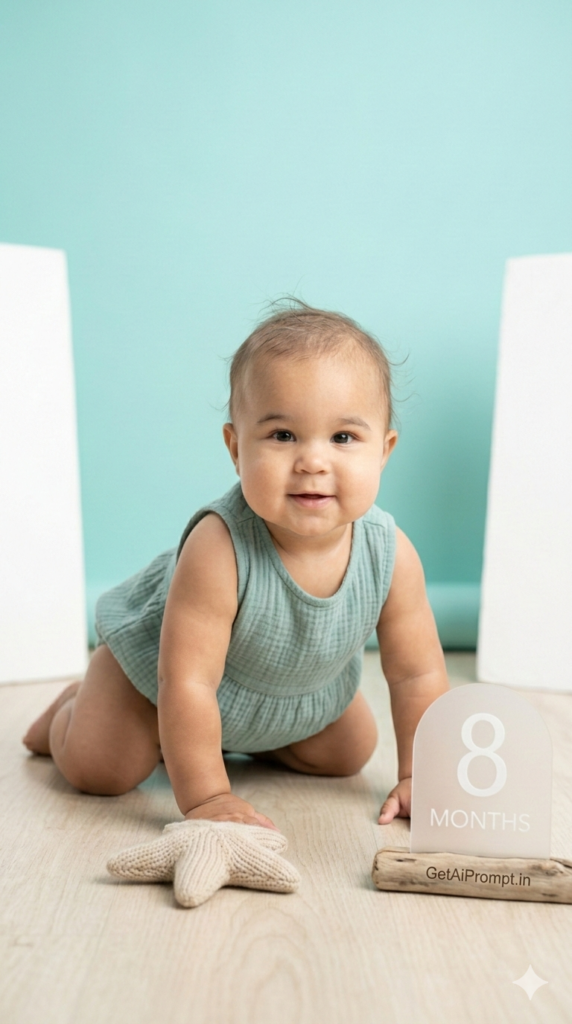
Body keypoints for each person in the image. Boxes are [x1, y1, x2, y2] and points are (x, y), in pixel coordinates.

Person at [24, 300, 449, 831]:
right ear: (235, 447)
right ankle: (73, 711)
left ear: (383, 451)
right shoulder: (220, 546)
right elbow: (189, 680)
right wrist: (206, 798)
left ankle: (219, 742)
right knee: (101, 767)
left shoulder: (390, 554)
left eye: (343, 438)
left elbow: (417, 673)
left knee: (350, 751)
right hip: (159, 682)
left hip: (286, 696)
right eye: (282, 435)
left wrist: (420, 776)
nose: (313, 461)